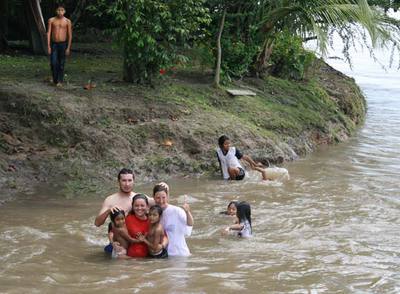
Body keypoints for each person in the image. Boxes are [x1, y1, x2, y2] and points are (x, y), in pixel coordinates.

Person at [153, 183, 193, 257]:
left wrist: (187, 212)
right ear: (153, 198)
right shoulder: (153, 213)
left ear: (167, 197)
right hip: (163, 256)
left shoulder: (176, 211)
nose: (161, 201)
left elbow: (189, 224)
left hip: (179, 254)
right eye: (158, 198)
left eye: (163, 197)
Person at [47, 4, 72, 87]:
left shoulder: (67, 21)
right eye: (58, 10)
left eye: (62, 10)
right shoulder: (51, 20)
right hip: (54, 44)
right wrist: (48, 46)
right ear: (56, 11)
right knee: (53, 62)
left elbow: (70, 35)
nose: (60, 12)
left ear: (64, 11)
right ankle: (55, 79)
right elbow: (48, 33)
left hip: (63, 44)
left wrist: (68, 48)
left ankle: (60, 80)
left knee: (61, 63)